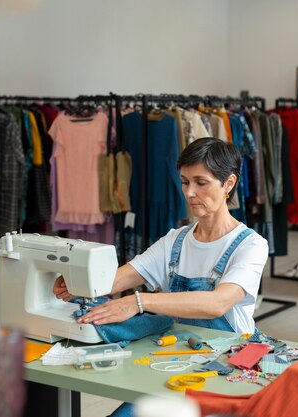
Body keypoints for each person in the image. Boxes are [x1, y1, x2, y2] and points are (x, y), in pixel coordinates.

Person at [53, 137, 268, 416]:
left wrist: (139, 302)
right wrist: (81, 286)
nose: (189, 192)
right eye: (184, 181)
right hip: (177, 356)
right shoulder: (175, 241)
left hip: (226, 364)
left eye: (201, 183)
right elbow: (124, 277)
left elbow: (217, 303)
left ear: (228, 184)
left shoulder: (249, 245)